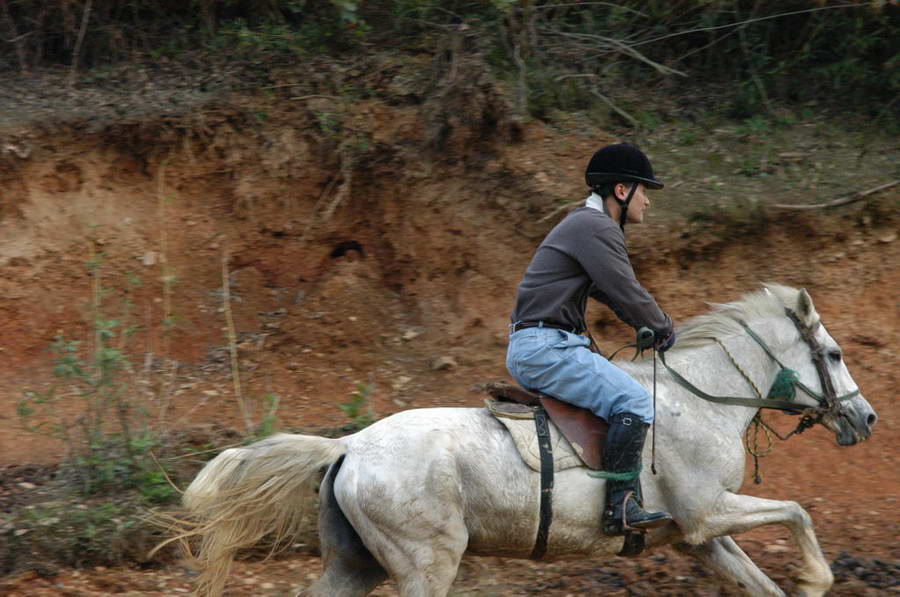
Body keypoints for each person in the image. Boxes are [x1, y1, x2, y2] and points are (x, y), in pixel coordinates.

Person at [506, 142, 675, 536]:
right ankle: (620, 508)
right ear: (621, 191)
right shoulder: (595, 227)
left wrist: (641, 324)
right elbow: (625, 289)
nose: (647, 202)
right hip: (546, 348)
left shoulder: (584, 225)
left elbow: (607, 290)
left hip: (541, 344)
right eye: (644, 191)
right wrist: (663, 327)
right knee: (634, 400)